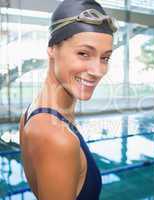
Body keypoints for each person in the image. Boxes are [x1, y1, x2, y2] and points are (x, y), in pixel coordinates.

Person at [19, 0, 117, 199]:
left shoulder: (33, 112)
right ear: (52, 48)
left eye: (105, 58)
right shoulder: (56, 137)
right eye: (83, 53)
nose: (98, 71)